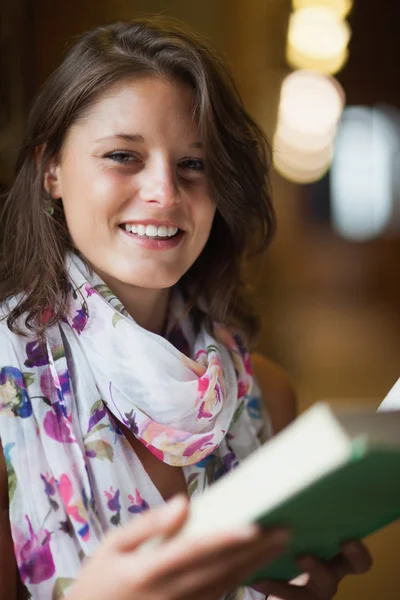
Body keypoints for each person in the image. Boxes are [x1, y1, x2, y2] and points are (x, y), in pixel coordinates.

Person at [0, 18, 372, 600]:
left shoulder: (266, 395)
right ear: (52, 170)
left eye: (193, 165)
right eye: (123, 155)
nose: (166, 193)